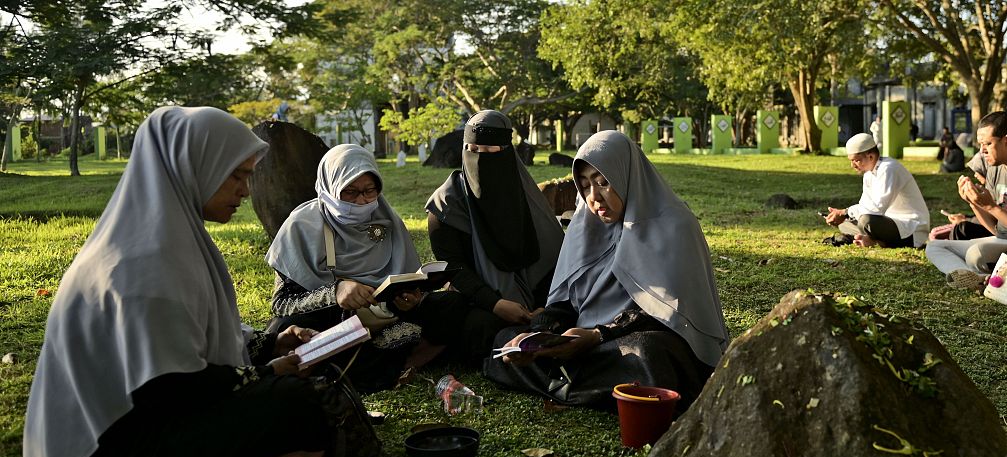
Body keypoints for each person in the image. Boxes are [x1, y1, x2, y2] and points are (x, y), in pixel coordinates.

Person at [21, 107, 332, 457]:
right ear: (193, 168)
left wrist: (268, 343)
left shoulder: (167, 237)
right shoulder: (143, 263)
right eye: (236, 176)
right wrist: (268, 373)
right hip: (109, 453)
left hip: (149, 419)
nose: (245, 191)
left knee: (297, 395)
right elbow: (168, 389)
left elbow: (189, 344)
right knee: (293, 399)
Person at [483, 130, 730, 411]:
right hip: (587, 343)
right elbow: (566, 303)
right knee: (505, 341)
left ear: (627, 176)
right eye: (585, 185)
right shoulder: (584, 228)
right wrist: (539, 334)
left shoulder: (674, 225)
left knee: (647, 356)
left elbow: (668, 315)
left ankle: (566, 385)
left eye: (603, 183)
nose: (594, 197)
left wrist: (599, 335)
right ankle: (591, 389)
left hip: (636, 337)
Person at [266, 144, 465, 392]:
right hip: (333, 323)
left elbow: (407, 279)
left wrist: (411, 298)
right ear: (330, 187)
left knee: (452, 305)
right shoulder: (301, 227)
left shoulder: (386, 219)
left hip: (385, 318)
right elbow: (282, 303)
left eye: (370, 191)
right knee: (285, 327)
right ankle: (380, 365)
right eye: (349, 192)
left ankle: (403, 363)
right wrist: (336, 292)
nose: (361, 201)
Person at [425, 110, 564, 360]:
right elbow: (453, 267)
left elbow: (554, 257)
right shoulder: (447, 205)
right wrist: (496, 304)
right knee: (481, 327)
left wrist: (545, 304)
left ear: (507, 151)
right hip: (480, 300)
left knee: (560, 317)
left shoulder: (528, 198)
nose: (480, 157)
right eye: (472, 148)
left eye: (491, 150)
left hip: (538, 298)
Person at [926, 111, 1007, 289]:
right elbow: (996, 230)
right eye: (980, 145)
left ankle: (985, 279)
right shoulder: (995, 167)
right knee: (935, 247)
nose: (982, 151)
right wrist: (974, 202)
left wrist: (992, 207)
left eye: (987, 144)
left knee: (976, 254)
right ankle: (976, 279)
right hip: (1004, 243)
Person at [821, 133, 929, 248]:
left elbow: (876, 209)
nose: (852, 165)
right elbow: (865, 205)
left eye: (856, 160)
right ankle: (870, 238)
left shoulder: (889, 169)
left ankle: (873, 240)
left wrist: (845, 212)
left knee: (866, 221)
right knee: (844, 225)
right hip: (888, 223)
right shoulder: (868, 174)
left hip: (910, 229)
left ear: (870, 157)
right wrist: (844, 216)